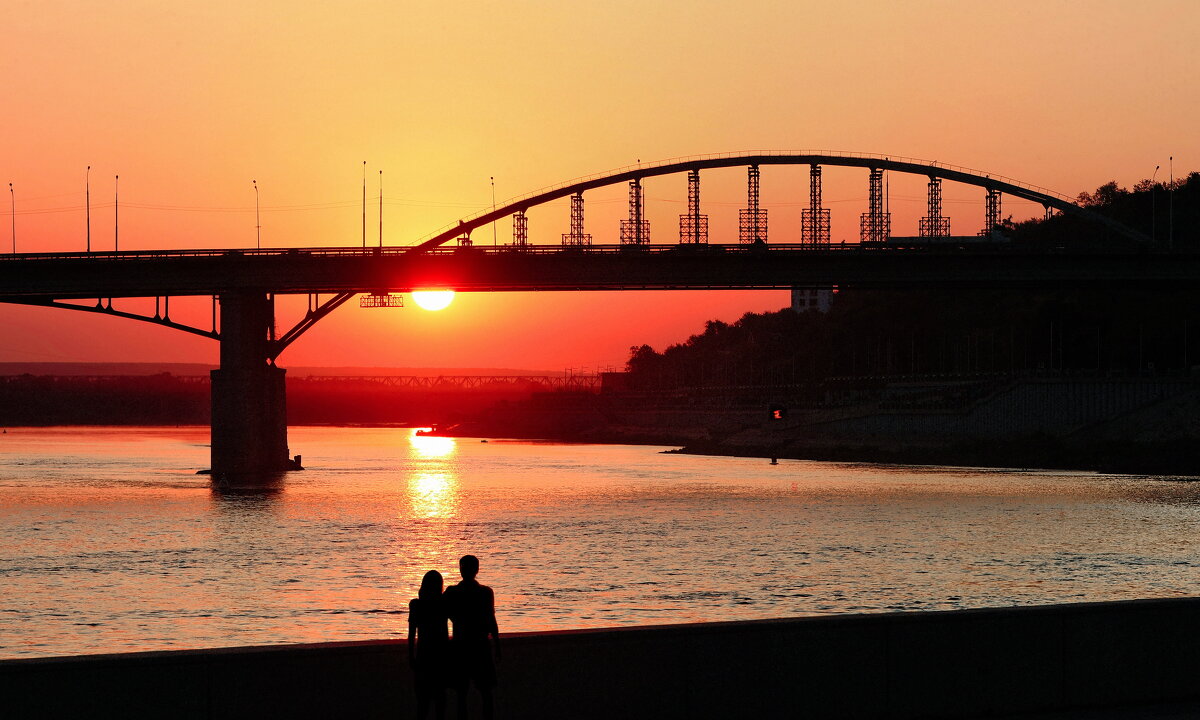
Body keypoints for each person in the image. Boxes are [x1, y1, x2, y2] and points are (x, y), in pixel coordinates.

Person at [444, 554, 500, 720]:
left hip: (464, 646)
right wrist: (497, 645)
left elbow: (491, 620)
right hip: (478, 646)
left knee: (465, 694)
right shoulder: (484, 592)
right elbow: (491, 621)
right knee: (483, 693)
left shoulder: (453, 592)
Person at [409, 570, 449, 720]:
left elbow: (412, 633)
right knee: (440, 700)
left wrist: (410, 655)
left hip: (423, 655)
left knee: (422, 702)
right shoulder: (444, 603)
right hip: (441, 656)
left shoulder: (416, 605)